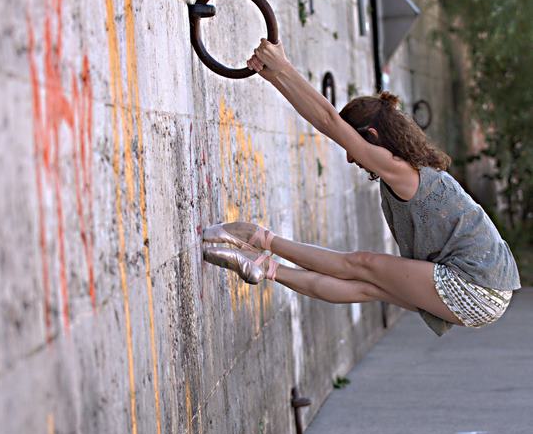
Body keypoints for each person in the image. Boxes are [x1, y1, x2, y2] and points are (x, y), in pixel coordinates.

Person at [203, 39, 520, 334]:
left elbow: (329, 121)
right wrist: (273, 78)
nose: (350, 159)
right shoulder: (407, 171)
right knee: (364, 286)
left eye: (352, 146)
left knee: (361, 264)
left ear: (371, 137)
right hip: (488, 292)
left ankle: (255, 236)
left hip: (477, 284)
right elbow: (332, 123)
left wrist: (284, 68)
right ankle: (264, 266)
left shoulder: (402, 170)